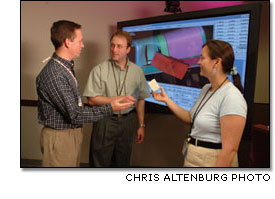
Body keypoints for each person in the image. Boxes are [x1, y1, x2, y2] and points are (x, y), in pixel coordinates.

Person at [36, 20, 135, 167]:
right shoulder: (55, 74)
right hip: (60, 138)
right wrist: (111, 107)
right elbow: (75, 114)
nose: (82, 45)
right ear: (68, 42)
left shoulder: (64, 68)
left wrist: (115, 100)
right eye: (80, 41)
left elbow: (75, 108)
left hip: (70, 135)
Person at [152, 40, 247, 167]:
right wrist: (166, 100)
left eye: (202, 58)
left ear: (217, 62)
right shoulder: (206, 89)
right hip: (194, 158)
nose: (198, 62)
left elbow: (229, 151)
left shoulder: (232, 96)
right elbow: (191, 118)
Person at [83, 30, 150, 167]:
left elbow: (141, 99)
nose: (114, 50)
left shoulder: (137, 71)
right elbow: (91, 99)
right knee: (99, 163)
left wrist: (141, 125)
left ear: (128, 49)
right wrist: (116, 100)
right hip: (105, 120)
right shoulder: (99, 70)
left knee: (122, 163)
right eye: (112, 45)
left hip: (127, 122)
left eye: (119, 46)